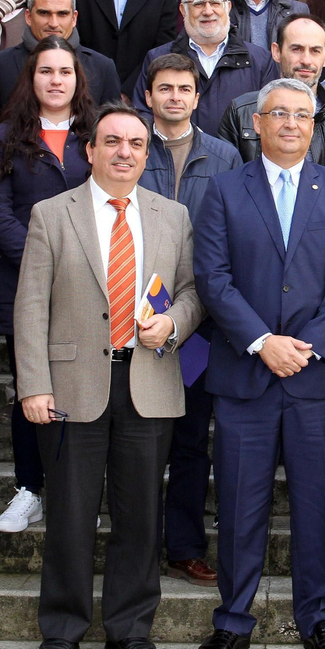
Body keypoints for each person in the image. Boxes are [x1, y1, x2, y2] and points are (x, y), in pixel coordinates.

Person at [15, 104, 204, 649]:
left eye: (136, 144)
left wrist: (172, 324)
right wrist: (33, 384)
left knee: (141, 514)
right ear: (90, 150)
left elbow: (193, 292)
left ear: (148, 155)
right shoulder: (53, 214)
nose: (125, 152)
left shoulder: (173, 216)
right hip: (72, 385)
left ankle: (130, 628)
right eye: (113, 141)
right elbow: (29, 306)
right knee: (70, 513)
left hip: (149, 381)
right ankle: (63, 628)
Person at [191, 78, 325, 649]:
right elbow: (213, 278)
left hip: (316, 378)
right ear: (256, 123)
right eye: (278, 114)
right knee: (240, 503)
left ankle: (320, 618)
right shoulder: (222, 190)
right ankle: (234, 620)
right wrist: (263, 342)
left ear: (314, 125)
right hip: (246, 375)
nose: (291, 123)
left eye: (301, 114)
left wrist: (308, 345)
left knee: (320, 504)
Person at [0, 38, 95, 535]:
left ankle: (80, 484)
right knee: (31, 388)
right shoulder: (7, 135)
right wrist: (41, 259)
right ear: (32, 78)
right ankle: (30, 488)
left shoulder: (96, 133)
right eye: (45, 71)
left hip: (94, 286)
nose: (55, 80)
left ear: (77, 79)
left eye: (64, 71)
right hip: (24, 282)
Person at [137, 54, 242, 589]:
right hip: (133, 311)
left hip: (203, 316)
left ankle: (183, 545)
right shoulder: (131, 145)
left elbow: (231, 232)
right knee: (139, 437)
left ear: (198, 97)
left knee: (191, 439)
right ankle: (136, 544)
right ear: (149, 94)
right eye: (164, 88)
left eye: (184, 88)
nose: (175, 97)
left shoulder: (224, 155)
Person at [0, 0, 124, 156]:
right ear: (28, 16)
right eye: (44, 13)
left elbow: (113, 132)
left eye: (62, 14)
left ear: (74, 18)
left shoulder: (102, 67)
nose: (53, 23)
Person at [131, 0, 278, 139]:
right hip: (176, 161)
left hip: (241, 163)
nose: (208, 11)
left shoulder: (260, 62)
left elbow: (270, 120)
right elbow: (142, 117)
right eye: (198, 4)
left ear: (228, 7)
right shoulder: (157, 59)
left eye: (215, 3)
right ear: (183, 10)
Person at [219, 14, 325, 166]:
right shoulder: (241, 112)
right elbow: (227, 180)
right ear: (276, 51)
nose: (306, 60)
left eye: (315, 51)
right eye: (296, 49)